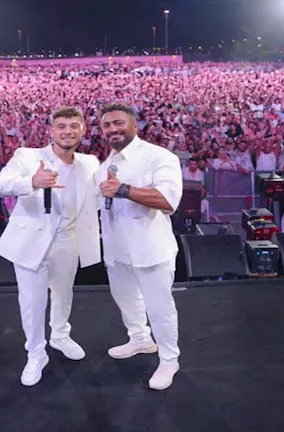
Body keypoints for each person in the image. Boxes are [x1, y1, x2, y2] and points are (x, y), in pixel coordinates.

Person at [0, 106, 101, 387]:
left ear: (83, 130)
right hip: (31, 242)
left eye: (74, 126)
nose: (67, 131)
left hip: (69, 241)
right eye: (61, 126)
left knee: (63, 294)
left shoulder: (90, 162)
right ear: (51, 130)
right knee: (32, 301)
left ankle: (60, 335)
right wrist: (31, 182)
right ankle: (36, 353)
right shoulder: (28, 156)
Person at [96, 102, 183, 391]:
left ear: (135, 125)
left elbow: (168, 200)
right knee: (126, 299)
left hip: (150, 249)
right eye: (107, 125)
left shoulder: (159, 157)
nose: (113, 129)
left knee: (160, 308)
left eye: (118, 123)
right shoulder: (105, 165)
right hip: (116, 250)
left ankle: (169, 359)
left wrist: (123, 189)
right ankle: (140, 339)